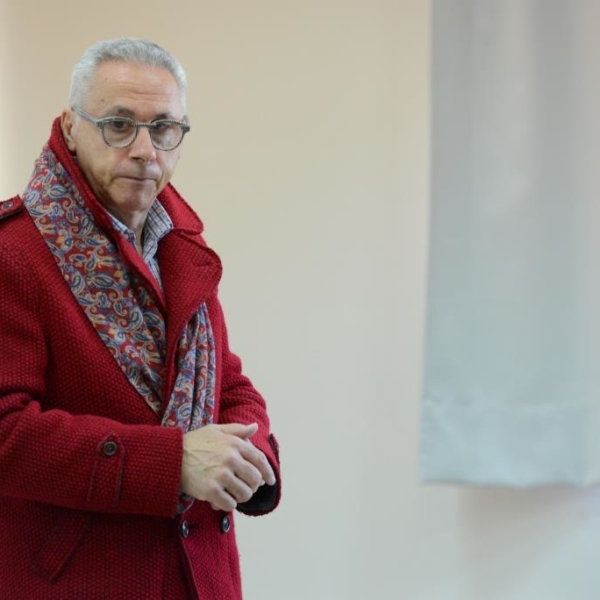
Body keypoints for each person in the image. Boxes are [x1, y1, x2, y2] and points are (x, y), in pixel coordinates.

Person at [0, 38, 281, 600]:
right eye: (118, 125)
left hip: (199, 574)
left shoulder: (180, 244)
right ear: (71, 128)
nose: (145, 150)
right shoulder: (14, 254)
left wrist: (250, 457)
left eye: (164, 128)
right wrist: (172, 463)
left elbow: (226, 383)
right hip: (81, 580)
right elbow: (6, 432)